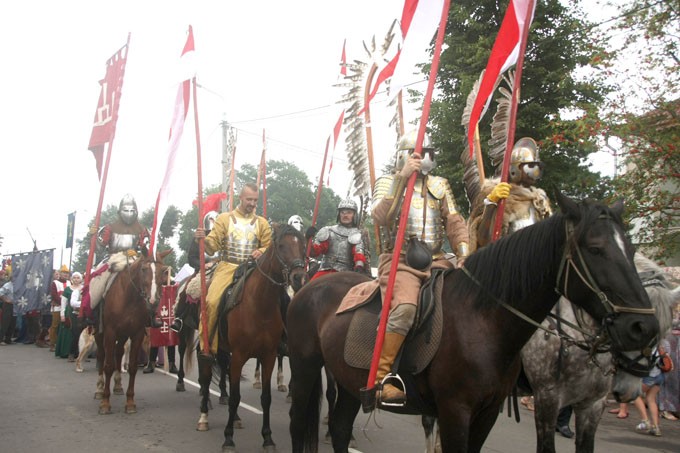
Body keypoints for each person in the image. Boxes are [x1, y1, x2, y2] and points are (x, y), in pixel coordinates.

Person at [371, 129, 470, 404]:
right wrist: (402, 179)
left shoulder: (440, 184)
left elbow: (454, 222)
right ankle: (383, 378)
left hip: (438, 259)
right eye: (419, 153)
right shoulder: (388, 182)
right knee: (405, 309)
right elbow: (381, 217)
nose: (425, 158)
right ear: (404, 156)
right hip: (400, 261)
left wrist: (463, 254)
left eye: (429, 153)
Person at [194, 182, 272, 355]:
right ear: (241, 198)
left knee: (280, 298)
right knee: (212, 302)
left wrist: (261, 250)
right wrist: (203, 240)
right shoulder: (224, 219)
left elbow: (269, 247)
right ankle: (207, 346)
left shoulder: (262, 223)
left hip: (254, 268)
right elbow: (212, 245)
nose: (252, 203)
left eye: (255, 200)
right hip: (228, 266)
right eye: (249, 199)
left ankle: (282, 341)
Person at [93, 194, 160, 327]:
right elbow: (100, 248)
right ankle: (92, 314)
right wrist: (94, 237)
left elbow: (145, 248)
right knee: (96, 282)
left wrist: (139, 252)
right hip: (113, 259)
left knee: (150, 282)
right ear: (119, 212)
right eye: (126, 210)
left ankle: (151, 315)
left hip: (134, 259)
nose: (129, 214)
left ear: (136, 212)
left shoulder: (142, 229)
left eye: (131, 211)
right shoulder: (110, 228)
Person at [170, 210, 219, 333]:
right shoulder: (198, 238)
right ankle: (179, 317)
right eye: (209, 231)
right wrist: (203, 265)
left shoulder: (223, 237)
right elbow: (192, 258)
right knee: (189, 287)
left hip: (222, 268)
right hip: (204, 270)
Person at [305, 199, 367, 279]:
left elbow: (358, 255)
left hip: (345, 273)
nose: (345, 215)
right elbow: (314, 252)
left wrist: (359, 267)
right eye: (342, 212)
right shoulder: (328, 231)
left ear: (354, 215)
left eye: (349, 212)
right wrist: (307, 239)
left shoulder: (357, 235)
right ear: (339, 214)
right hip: (325, 270)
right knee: (309, 288)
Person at [633, 340, 672, 436]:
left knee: (634, 394)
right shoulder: (662, 344)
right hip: (660, 375)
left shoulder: (647, 345)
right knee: (651, 399)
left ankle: (645, 420)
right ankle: (655, 427)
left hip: (649, 376)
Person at [55, 272, 84, 361]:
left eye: (78, 278)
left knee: (81, 333)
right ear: (71, 279)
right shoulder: (67, 289)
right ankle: (68, 352)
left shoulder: (84, 289)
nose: (76, 279)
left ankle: (80, 353)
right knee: (71, 333)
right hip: (70, 313)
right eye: (74, 278)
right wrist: (62, 315)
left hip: (82, 314)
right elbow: (63, 303)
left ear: (81, 279)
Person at [48, 265, 70, 351]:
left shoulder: (69, 282)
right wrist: (63, 303)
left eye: (67, 273)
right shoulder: (55, 283)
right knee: (55, 326)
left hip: (66, 308)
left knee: (65, 326)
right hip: (57, 307)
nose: (65, 274)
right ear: (60, 274)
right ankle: (52, 344)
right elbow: (54, 295)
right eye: (64, 273)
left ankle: (62, 344)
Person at [0, 269, 16, 345]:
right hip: (8, 305)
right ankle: (0, 339)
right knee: (5, 322)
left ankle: (8, 339)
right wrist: (6, 300)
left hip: (15, 306)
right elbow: (0, 293)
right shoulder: (7, 285)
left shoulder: (17, 285)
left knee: (13, 322)